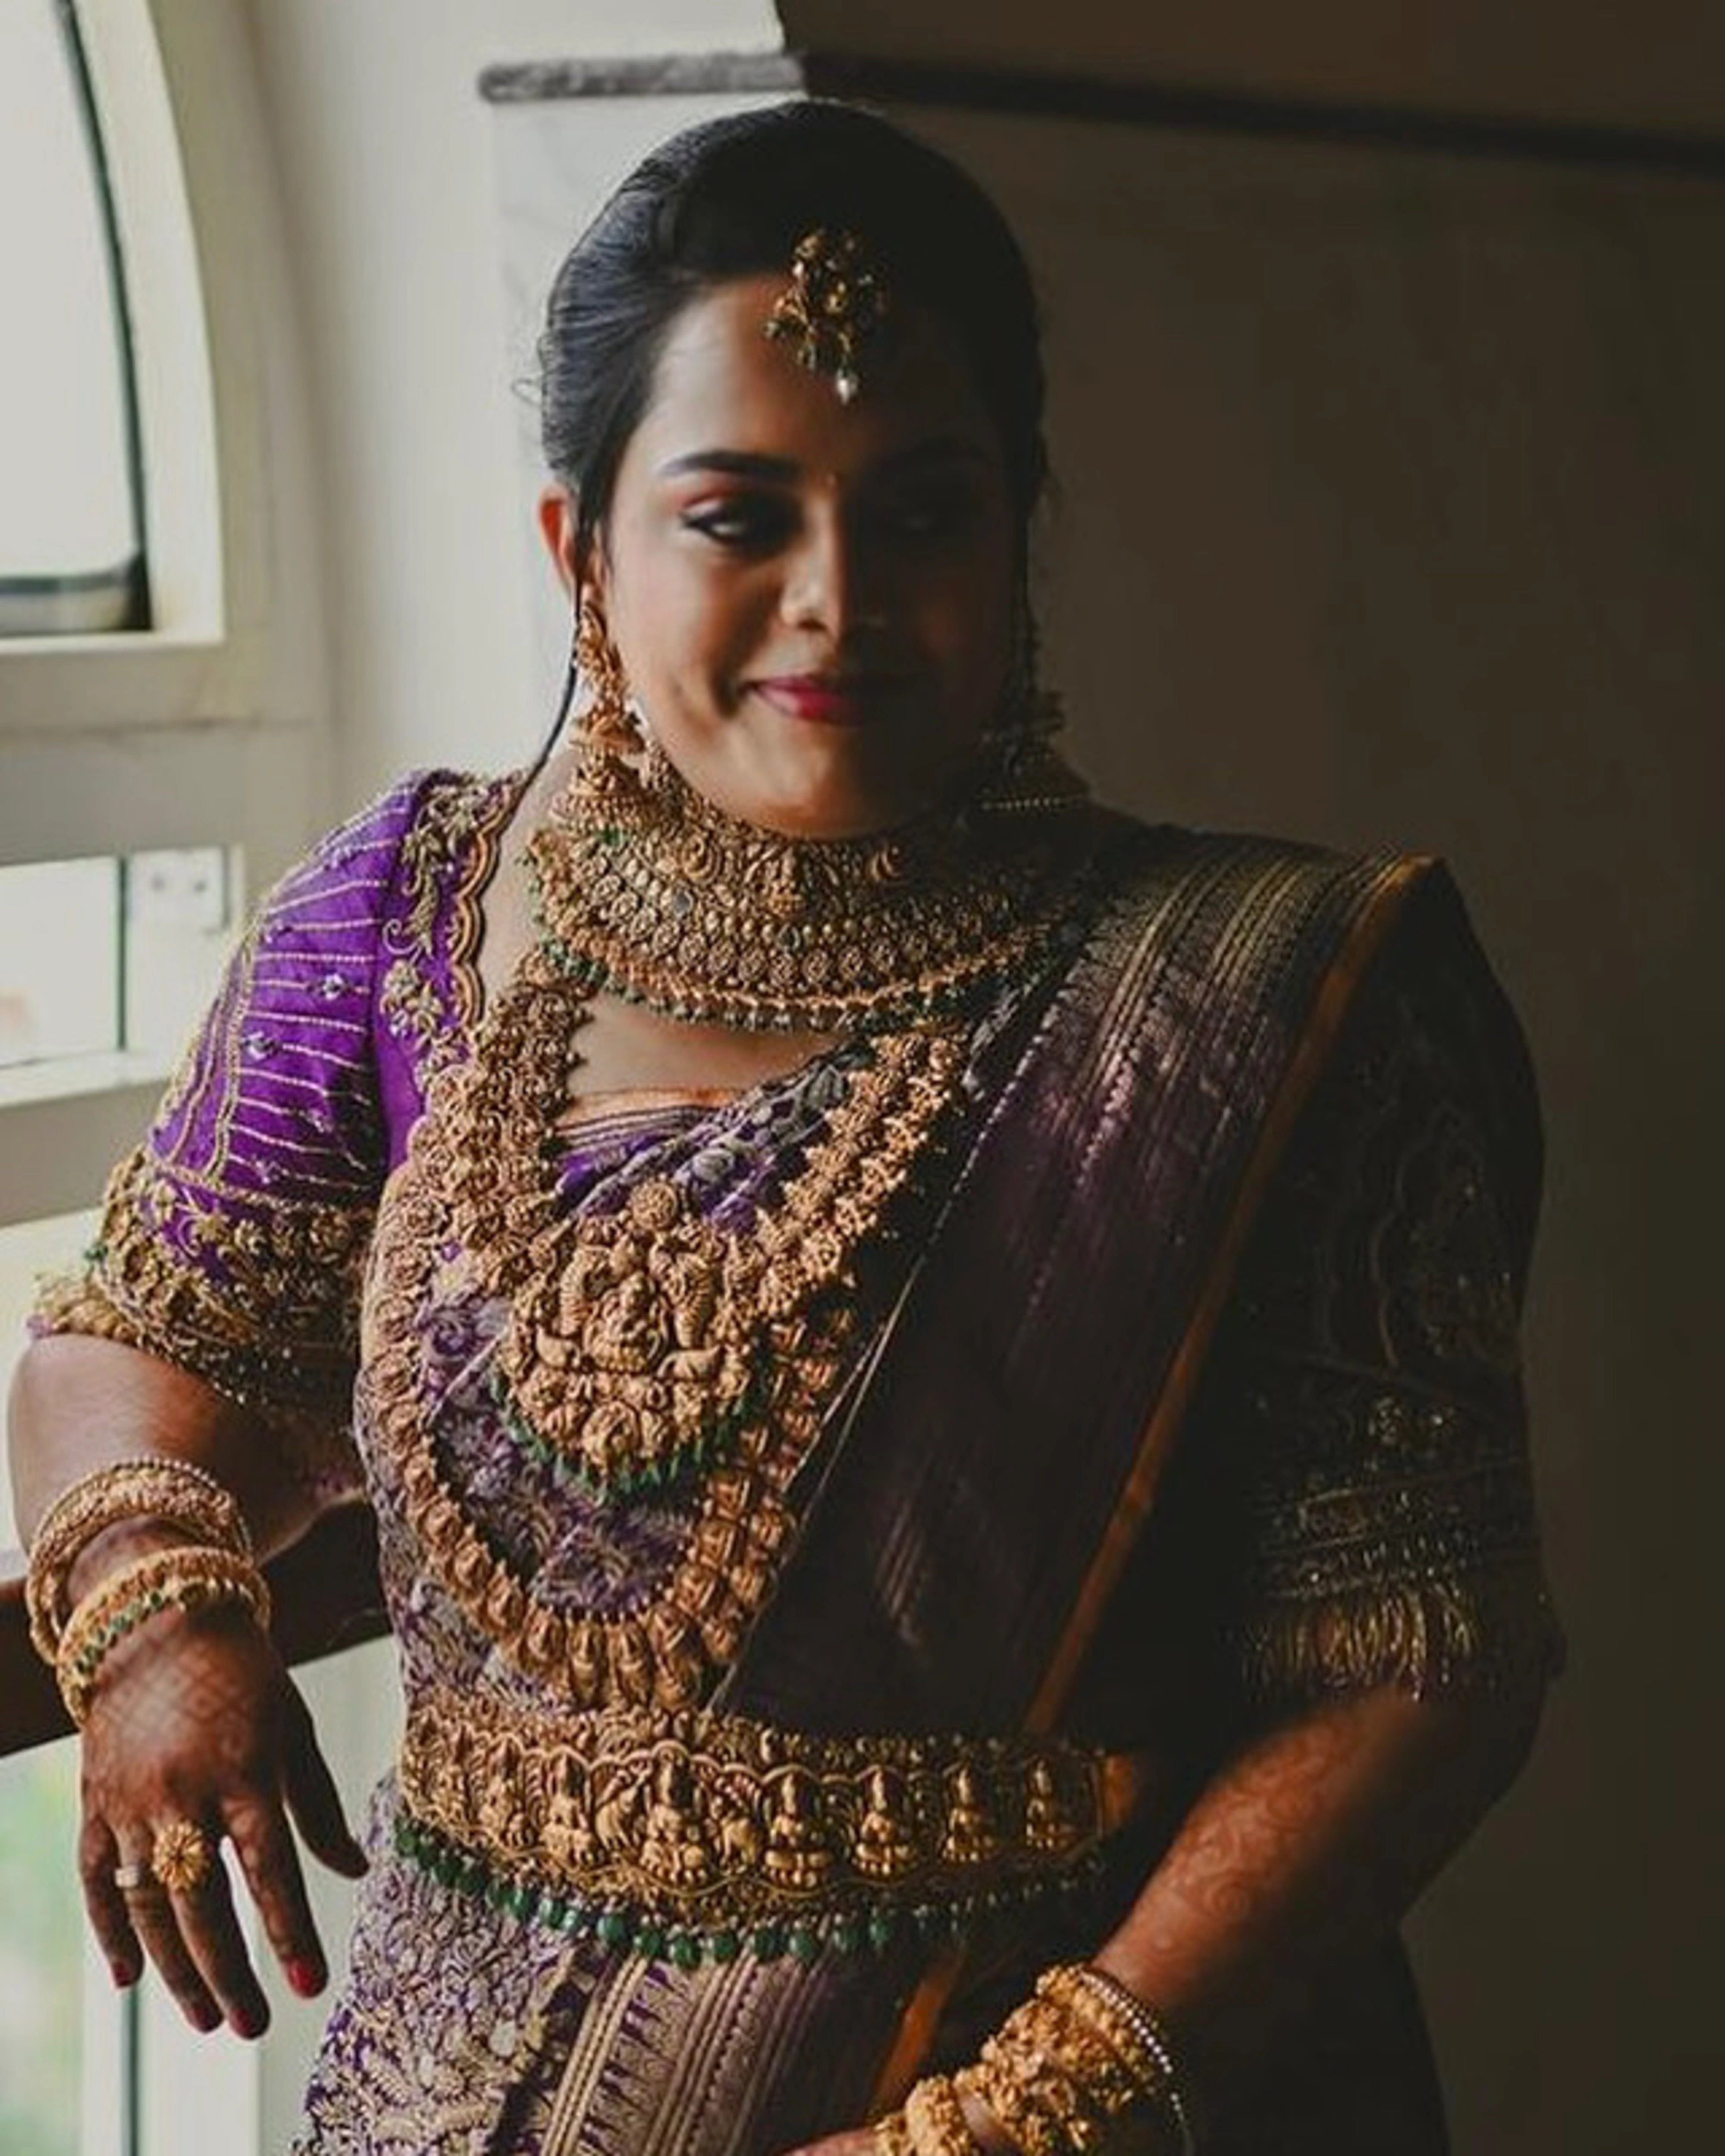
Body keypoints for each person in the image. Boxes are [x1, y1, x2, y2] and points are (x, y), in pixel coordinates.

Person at [6, 100, 1561, 2156]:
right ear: (583, 549)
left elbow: (1413, 1660)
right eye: (740, 514)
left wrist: (1030, 2112)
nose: (838, 596)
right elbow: (149, 1335)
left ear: (1020, 528)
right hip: (437, 2087)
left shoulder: (1270, 1004)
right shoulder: (409, 915)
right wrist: (156, 1613)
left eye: (924, 509)